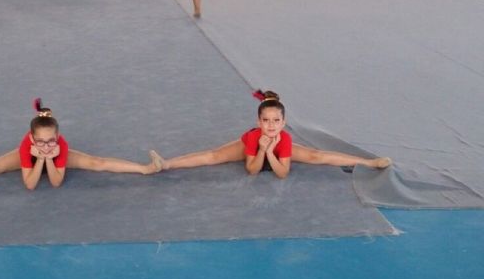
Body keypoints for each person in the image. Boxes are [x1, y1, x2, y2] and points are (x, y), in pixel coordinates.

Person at [0, 99, 163, 190]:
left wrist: (49, 156)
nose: (47, 144)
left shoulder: (60, 146)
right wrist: (40, 156)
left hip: (53, 158)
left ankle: (144, 168)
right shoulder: (26, 147)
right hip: (29, 158)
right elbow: (30, 184)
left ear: (58, 138)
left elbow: (56, 182)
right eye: (41, 141)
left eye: (51, 140)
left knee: (96, 162)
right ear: (31, 138)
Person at [156, 90, 391, 178]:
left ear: (283, 122)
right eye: (266, 121)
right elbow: (251, 170)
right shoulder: (253, 136)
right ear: (258, 122)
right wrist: (263, 149)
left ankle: (369, 162)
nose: (270, 126)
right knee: (214, 156)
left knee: (316, 156)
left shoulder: (285, 138)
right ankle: (167, 164)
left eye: (276, 121)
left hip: (275, 150)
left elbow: (282, 173)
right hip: (253, 147)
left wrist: (271, 150)